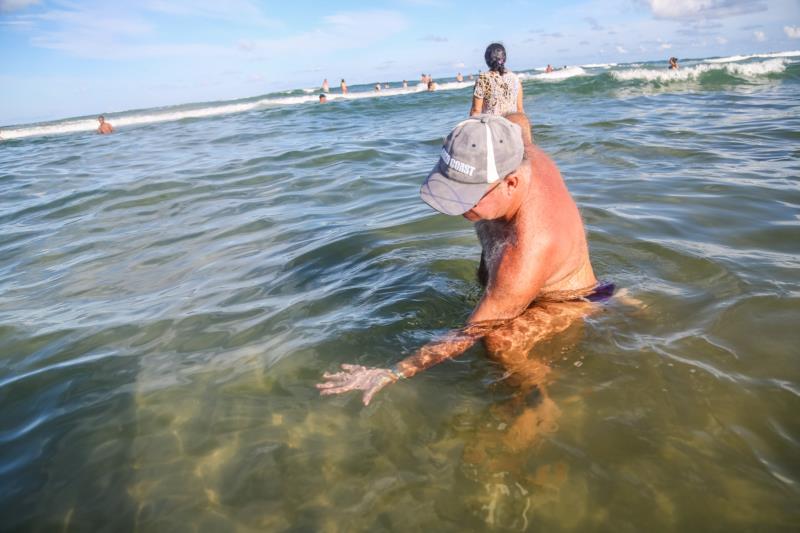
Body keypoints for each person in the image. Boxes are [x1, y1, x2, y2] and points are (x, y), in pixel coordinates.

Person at [317, 114, 608, 406]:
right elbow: (517, 119)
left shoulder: (526, 251)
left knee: (498, 342)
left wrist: (391, 373)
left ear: (510, 183)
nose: (458, 206)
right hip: (530, 284)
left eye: (469, 196)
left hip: (567, 301)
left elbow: (469, 333)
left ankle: (539, 399)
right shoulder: (518, 149)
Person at [470, 43, 524, 116]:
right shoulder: (515, 78)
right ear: (504, 58)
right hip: (512, 124)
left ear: (487, 59)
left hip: (492, 125)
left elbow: (476, 111)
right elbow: (520, 110)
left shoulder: (483, 79)